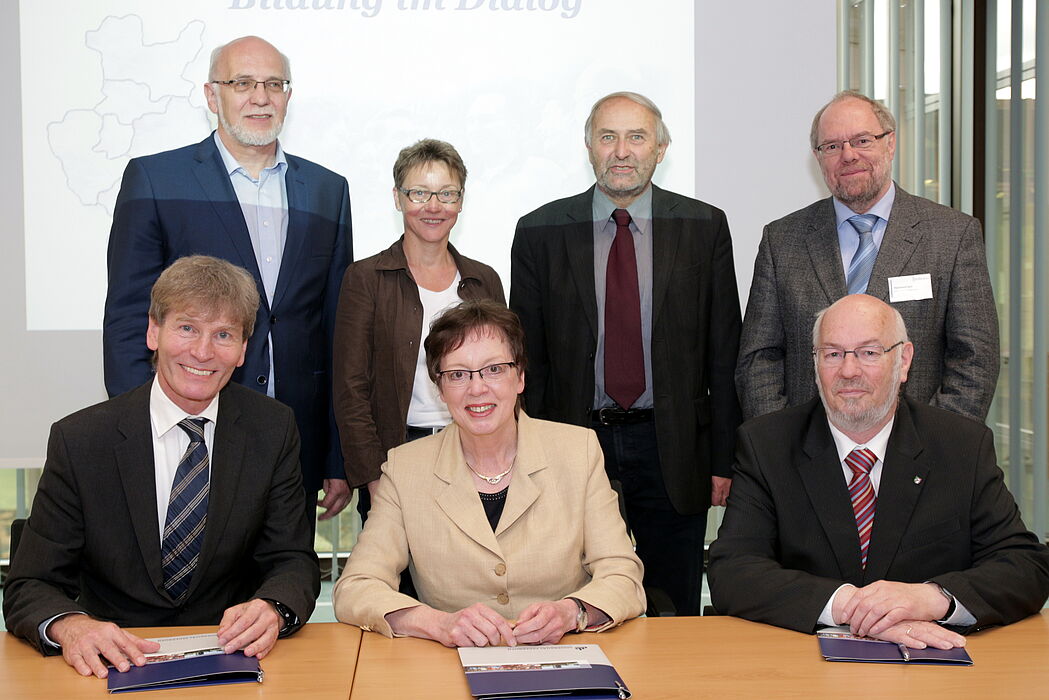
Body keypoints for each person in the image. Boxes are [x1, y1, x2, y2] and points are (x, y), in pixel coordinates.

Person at [4, 256, 320, 678]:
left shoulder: (273, 428)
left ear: (244, 349)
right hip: (112, 663)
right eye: (187, 328)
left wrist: (273, 607)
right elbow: (29, 584)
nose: (203, 352)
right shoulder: (81, 440)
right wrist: (73, 626)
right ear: (154, 331)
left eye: (223, 334)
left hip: (228, 660)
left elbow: (292, 560)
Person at [102, 36, 353, 523]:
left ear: (287, 95)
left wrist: (336, 454)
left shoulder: (328, 190)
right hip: (188, 433)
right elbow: (129, 320)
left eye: (274, 84)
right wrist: (144, 432)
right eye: (242, 83)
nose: (260, 97)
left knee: (282, 584)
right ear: (212, 95)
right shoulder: (156, 180)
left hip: (294, 442)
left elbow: (334, 332)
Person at [509, 91, 742, 616]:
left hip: (674, 445)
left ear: (660, 148)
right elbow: (529, 361)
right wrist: (529, 453)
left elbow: (724, 352)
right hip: (573, 445)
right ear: (588, 146)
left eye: (636, 137)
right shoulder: (540, 231)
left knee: (672, 606)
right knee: (572, 604)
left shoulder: (704, 227)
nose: (621, 151)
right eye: (607, 137)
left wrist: (725, 457)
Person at [708, 294, 1049, 648]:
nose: (849, 371)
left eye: (869, 353)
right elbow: (732, 569)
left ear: (903, 361)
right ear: (814, 362)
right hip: (803, 664)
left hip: (933, 668)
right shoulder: (767, 445)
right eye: (833, 354)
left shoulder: (960, 446)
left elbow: (1026, 566)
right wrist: (850, 607)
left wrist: (933, 598)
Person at [332, 300, 645, 646]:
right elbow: (355, 588)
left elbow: (623, 574)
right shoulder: (406, 469)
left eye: (494, 369)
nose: (477, 388)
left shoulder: (578, 451)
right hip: (450, 668)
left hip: (565, 654)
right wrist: (438, 624)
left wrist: (572, 612)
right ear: (440, 389)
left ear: (520, 376)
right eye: (458, 375)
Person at [736, 90, 998, 423]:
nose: (847, 156)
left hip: (919, 454)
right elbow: (759, 359)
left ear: (890, 144)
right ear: (818, 158)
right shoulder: (782, 240)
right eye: (832, 146)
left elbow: (975, 360)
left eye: (862, 141)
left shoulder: (952, 236)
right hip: (806, 458)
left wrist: (934, 446)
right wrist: (783, 447)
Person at [333, 138, 504, 526]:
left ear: (461, 201)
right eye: (419, 193)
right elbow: (350, 390)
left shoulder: (484, 280)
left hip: (474, 451)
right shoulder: (365, 279)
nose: (433, 206)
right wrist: (375, 478)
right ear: (398, 198)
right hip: (397, 456)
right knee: (402, 582)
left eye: (446, 194)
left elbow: (503, 378)